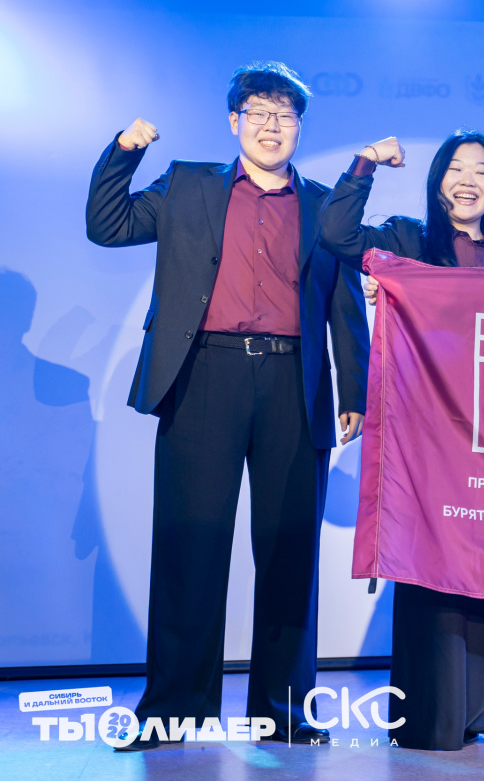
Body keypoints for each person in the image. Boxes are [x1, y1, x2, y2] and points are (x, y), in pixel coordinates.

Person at [84, 61, 369, 750]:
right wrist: (124, 150)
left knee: (289, 552)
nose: (272, 127)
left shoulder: (323, 204)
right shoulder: (187, 185)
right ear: (235, 121)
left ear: (299, 127)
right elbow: (106, 224)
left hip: (293, 382)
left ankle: (286, 711)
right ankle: (173, 710)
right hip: (203, 375)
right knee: (191, 546)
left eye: (285, 116)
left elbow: (344, 305)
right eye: (259, 113)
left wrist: (355, 391)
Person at [317, 131, 484, 752]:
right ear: (438, 184)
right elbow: (335, 233)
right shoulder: (408, 241)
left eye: (482, 171)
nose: (468, 181)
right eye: (456, 169)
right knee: (432, 567)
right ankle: (433, 711)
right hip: (425, 437)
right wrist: (365, 164)